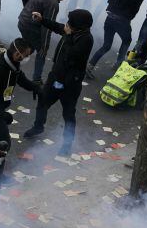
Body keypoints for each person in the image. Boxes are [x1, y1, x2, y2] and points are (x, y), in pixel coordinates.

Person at [23, 9, 94, 155]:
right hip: (55, 77)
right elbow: (57, 27)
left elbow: (72, 54)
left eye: (70, 22)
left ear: (78, 25)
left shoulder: (86, 39)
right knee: (42, 102)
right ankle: (38, 127)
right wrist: (42, 19)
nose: (67, 24)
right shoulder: (72, 30)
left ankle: (67, 144)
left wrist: (68, 36)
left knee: (68, 114)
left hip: (70, 84)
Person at [86, 0, 147, 78]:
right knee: (127, 40)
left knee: (106, 45)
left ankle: (90, 66)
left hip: (110, 17)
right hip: (122, 21)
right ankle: (118, 63)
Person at [18, 0, 72, 82]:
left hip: (22, 21)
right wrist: (45, 46)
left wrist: (26, 9)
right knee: (41, 52)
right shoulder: (53, 4)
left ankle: (13, 69)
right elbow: (47, 28)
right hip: (31, 28)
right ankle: (37, 79)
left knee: (28, 48)